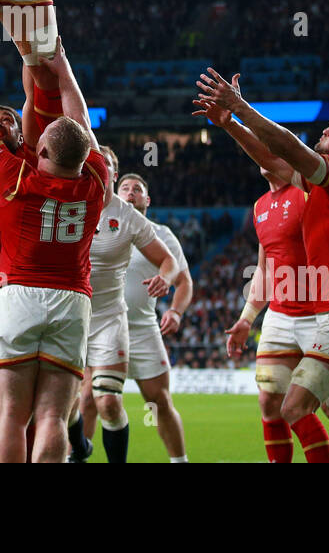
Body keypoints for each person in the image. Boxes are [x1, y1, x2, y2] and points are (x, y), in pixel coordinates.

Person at [196, 68, 329, 463]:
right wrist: (230, 124)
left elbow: (288, 148)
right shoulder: (323, 186)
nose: (327, 130)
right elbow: (271, 158)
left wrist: (240, 106)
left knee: (294, 408)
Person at [0, 38, 109, 463]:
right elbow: (81, 124)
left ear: (40, 148)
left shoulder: (15, 178)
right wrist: (64, 69)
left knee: (12, 415)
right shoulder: (97, 181)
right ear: (84, 155)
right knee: (53, 417)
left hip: (19, 295)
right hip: (73, 300)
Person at [201, 78, 314, 464]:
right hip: (281, 317)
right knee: (269, 403)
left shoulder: (309, 189)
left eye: (267, 152)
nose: (262, 159)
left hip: (321, 314)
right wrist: (247, 319)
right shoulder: (260, 206)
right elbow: (264, 271)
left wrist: (233, 122)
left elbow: (269, 157)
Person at [70, 148, 177, 463]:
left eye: (105, 166)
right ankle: (79, 450)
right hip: (68, 317)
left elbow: (168, 261)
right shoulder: (64, 202)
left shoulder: (127, 216)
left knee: (107, 402)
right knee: (65, 405)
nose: (97, 170)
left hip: (109, 320)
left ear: (112, 175)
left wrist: (166, 278)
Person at [120, 173, 193, 462]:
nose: (130, 192)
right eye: (124, 188)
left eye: (137, 189)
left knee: (160, 401)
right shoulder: (100, 227)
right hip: (101, 325)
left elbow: (185, 281)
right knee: (88, 399)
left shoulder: (161, 235)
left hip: (142, 329)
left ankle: (180, 461)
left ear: (146, 200)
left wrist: (175, 311)